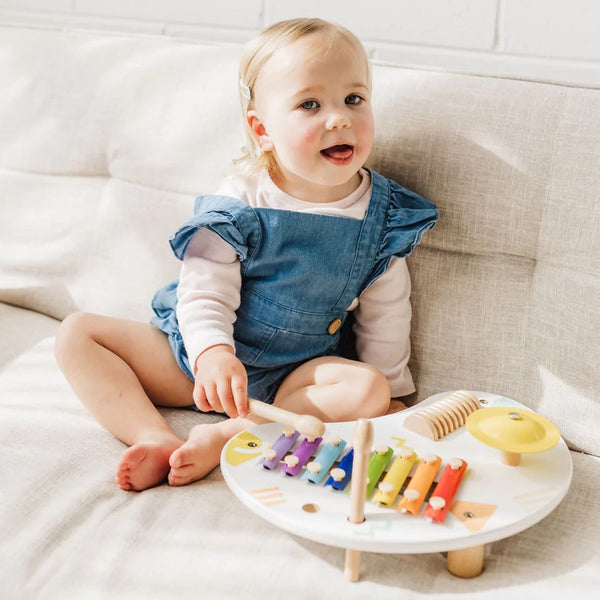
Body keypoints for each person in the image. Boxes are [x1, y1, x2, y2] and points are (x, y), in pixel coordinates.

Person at [54, 17, 438, 492]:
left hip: (295, 382)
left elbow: (387, 313)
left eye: (354, 99)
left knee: (370, 387)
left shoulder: (382, 218)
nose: (339, 118)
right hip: (199, 365)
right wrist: (212, 353)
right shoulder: (241, 203)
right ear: (263, 130)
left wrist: (393, 395)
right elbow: (204, 288)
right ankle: (154, 437)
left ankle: (230, 435)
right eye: (310, 104)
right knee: (77, 334)